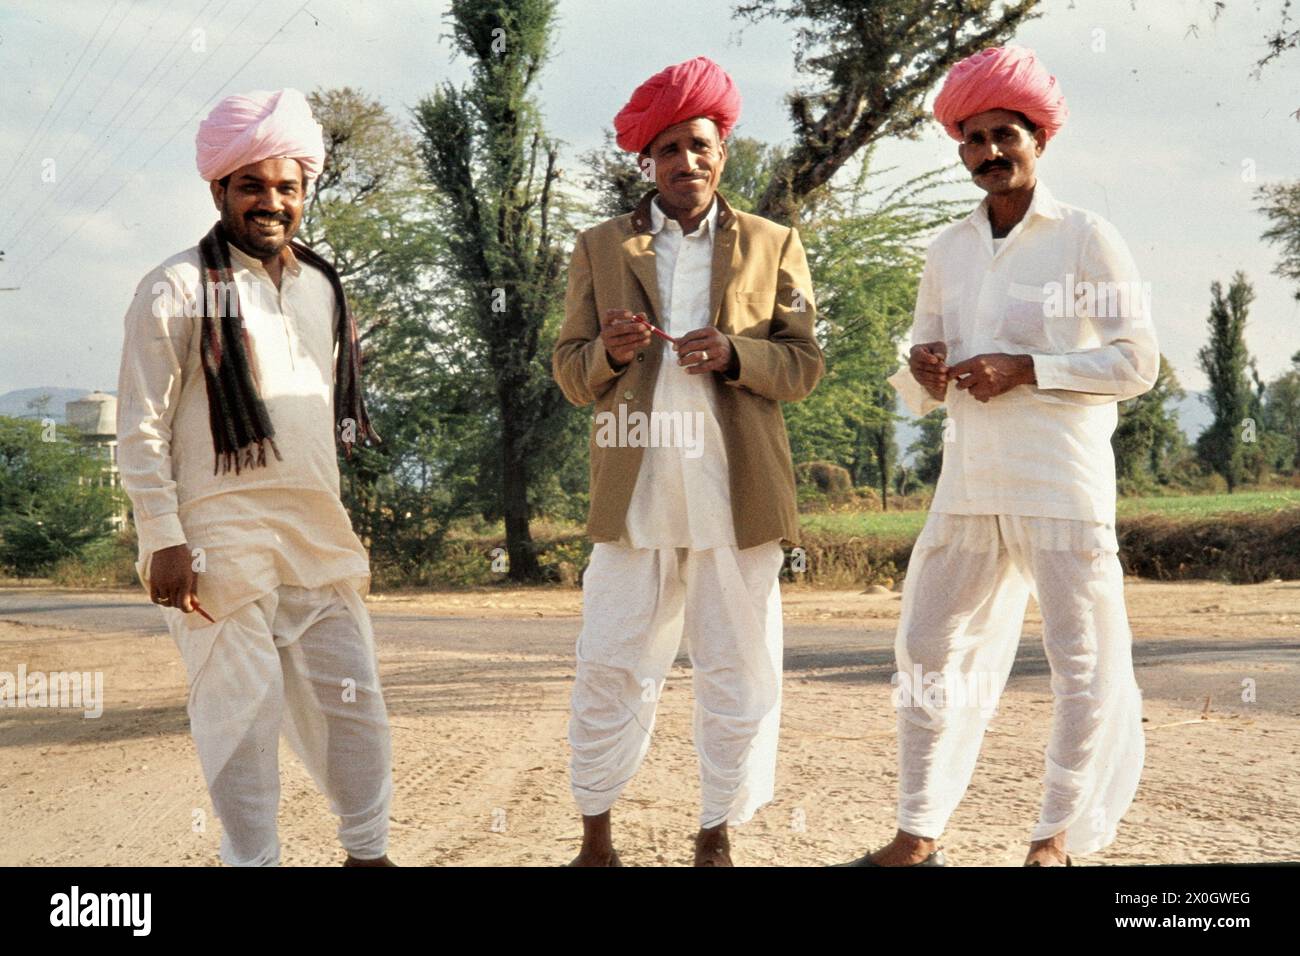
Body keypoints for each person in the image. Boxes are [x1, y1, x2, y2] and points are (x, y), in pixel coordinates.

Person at [842, 46, 1159, 867]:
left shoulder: (1088, 236)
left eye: (1004, 134)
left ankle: (1051, 839)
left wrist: (1030, 368)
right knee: (923, 648)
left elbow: (1137, 364)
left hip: (1061, 481)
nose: (989, 152)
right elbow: (921, 369)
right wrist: (921, 369)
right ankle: (917, 835)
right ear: (960, 150)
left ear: (1038, 138)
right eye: (973, 139)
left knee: (1080, 662)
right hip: (970, 482)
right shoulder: (948, 247)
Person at [552, 56, 824, 866]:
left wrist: (738, 356)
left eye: (699, 145)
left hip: (732, 493)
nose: (686, 162)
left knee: (737, 670)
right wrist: (605, 350)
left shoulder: (774, 244)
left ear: (723, 153)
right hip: (634, 495)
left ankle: (716, 833)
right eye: (668, 149)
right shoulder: (601, 246)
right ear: (649, 162)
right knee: (608, 663)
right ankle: (596, 835)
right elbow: (569, 373)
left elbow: (804, 365)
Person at [116, 88, 394, 867]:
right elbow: (138, 427)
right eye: (252, 185)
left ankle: (368, 854)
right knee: (241, 722)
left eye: (287, 186)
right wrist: (163, 539)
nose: (271, 201)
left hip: (315, 533)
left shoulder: (322, 286)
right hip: (216, 543)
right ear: (219, 191)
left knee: (356, 708)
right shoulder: (173, 287)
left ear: (304, 193)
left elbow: (325, 423)